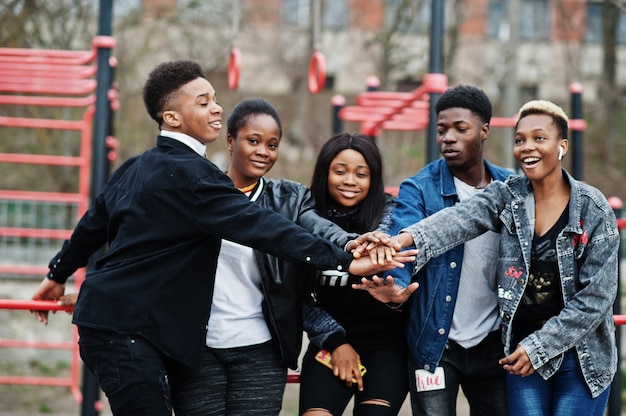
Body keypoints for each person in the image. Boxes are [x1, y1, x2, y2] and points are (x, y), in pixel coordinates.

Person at [30, 60, 415, 416]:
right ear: (172, 117)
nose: (216, 107)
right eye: (204, 102)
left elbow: (92, 225)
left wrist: (56, 275)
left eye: (215, 99)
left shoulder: (137, 167)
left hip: (129, 327)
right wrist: (347, 260)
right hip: (135, 333)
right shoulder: (199, 178)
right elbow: (264, 228)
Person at [356, 100, 619, 416]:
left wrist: (539, 348)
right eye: (519, 139)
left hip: (582, 352)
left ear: (562, 145)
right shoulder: (509, 194)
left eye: (539, 138)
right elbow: (458, 219)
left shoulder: (593, 209)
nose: (526, 147)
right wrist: (398, 242)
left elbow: (595, 299)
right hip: (522, 343)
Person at [168, 98, 359, 416]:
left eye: (272, 144)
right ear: (230, 141)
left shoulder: (291, 199)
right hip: (196, 346)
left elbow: (322, 231)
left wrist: (353, 246)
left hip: (261, 348)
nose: (263, 151)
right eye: (253, 140)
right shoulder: (197, 194)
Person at [385, 85, 512, 415]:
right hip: (435, 344)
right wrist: (395, 284)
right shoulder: (419, 188)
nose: (448, 138)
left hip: (494, 342)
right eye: (441, 130)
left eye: (460, 128)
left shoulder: (511, 188)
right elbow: (403, 236)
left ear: (484, 131)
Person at [298, 133, 409, 416]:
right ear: (325, 173)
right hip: (330, 343)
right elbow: (295, 295)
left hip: (386, 346)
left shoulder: (391, 215)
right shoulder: (304, 218)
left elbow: (389, 244)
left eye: (361, 174)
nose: (350, 181)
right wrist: (336, 342)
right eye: (340, 171)